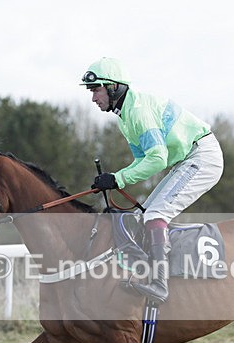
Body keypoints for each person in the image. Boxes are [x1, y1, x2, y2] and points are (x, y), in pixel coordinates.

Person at [81, 57, 224, 303]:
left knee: (156, 215)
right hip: (186, 159)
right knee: (145, 213)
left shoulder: (138, 112)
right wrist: (112, 179)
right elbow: (143, 160)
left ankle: (160, 284)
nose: (93, 98)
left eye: (96, 90)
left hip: (202, 156)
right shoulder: (125, 115)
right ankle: (150, 273)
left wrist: (118, 178)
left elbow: (157, 159)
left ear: (113, 87)